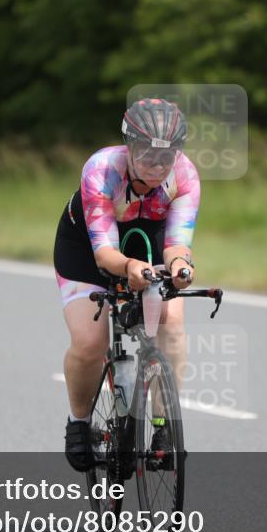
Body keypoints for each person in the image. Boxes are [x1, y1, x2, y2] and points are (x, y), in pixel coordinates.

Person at [53, 98, 200, 471]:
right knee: (91, 342)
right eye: (147, 153)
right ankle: (79, 422)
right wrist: (130, 267)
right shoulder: (103, 169)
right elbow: (105, 255)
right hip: (88, 249)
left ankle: (164, 427)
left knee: (172, 321)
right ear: (128, 146)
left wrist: (182, 265)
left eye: (167, 156)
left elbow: (176, 243)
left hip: (146, 242)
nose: (157, 165)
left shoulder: (184, 176)